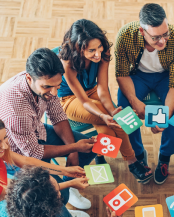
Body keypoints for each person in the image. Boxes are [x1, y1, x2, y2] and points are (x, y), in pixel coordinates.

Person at [0, 47, 97, 210]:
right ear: (29, 78)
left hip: (35, 130)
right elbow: (33, 153)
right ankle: (63, 211)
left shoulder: (46, 85)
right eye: (47, 87)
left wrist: (73, 152)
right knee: (53, 194)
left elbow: (58, 116)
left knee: (87, 149)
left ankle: (69, 184)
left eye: (57, 86)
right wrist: (73, 148)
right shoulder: (16, 113)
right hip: (14, 152)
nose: (53, 92)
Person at [57, 19, 152, 184]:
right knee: (114, 125)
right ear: (77, 48)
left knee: (109, 131)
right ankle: (133, 162)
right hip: (70, 99)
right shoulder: (67, 64)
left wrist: (113, 111)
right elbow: (84, 101)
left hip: (93, 91)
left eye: (99, 47)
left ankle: (100, 155)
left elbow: (102, 88)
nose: (98, 54)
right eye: (92, 50)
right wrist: (103, 115)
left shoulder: (104, 53)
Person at [115, 3, 174, 184]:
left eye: (165, 34)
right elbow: (121, 74)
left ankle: (164, 157)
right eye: (156, 38)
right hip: (138, 76)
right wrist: (134, 101)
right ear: (142, 31)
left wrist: (163, 117)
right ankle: (138, 154)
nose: (162, 41)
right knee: (124, 108)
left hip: (166, 77)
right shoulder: (124, 36)